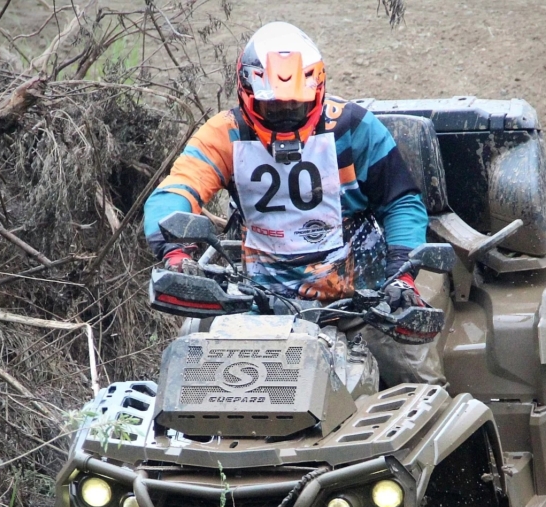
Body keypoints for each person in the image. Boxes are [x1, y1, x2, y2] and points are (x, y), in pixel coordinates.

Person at [143, 21, 444, 386]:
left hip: (366, 302)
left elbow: (401, 202)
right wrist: (176, 253)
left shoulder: (354, 127)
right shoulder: (225, 134)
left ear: (318, 91)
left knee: (415, 381)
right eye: (273, 107)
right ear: (245, 93)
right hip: (258, 304)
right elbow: (176, 190)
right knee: (194, 380)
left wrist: (403, 276)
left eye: (295, 106)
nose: (285, 117)